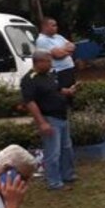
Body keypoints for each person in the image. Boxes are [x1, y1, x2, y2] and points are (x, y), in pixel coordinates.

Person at [21, 51, 77, 191]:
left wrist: (68, 91)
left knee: (66, 148)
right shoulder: (29, 79)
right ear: (39, 62)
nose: (51, 64)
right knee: (53, 152)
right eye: (48, 62)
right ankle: (54, 182)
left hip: (61, 116)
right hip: (49, 118)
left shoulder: (48, 75)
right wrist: (42, 122)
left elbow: (57, 89)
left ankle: (67, 174)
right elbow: (30, 102)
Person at [35, 17, 77, 97]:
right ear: (45, 27)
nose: (56, 27)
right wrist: (67, 51)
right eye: (53, 25)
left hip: (69, 69)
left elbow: (72, 46)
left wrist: (62, 50)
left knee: (72, 92)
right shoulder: (42, 40)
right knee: (62, 94)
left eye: (56, 25)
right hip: (59, 72)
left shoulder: (58, 37)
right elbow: (58, 55)